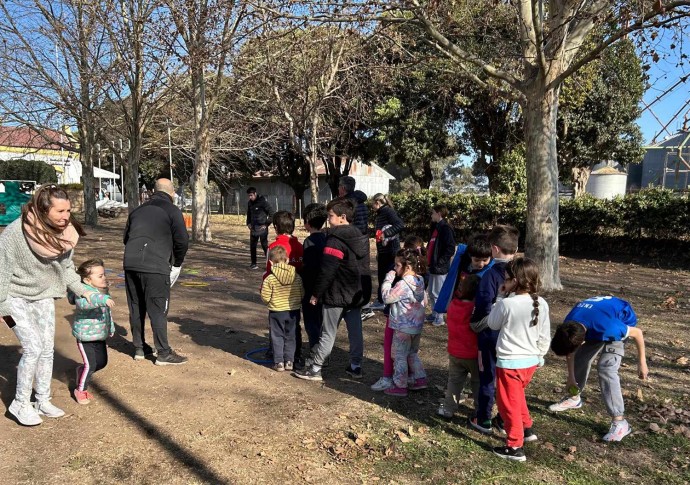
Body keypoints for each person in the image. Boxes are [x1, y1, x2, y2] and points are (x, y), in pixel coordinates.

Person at [0, 184, 93, 426]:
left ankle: (42, 399)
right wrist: (2, 308)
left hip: (43, 295)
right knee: (32, 347)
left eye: (68, 211)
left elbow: (66, 271)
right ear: (43, 210)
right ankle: (20, 403)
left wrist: (85, 291)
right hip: (12, 298)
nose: (66, 217)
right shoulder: (15, 233)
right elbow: (1, 271)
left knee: (46, 348)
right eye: (60, 211)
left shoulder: (65, 235)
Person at [549, 296, 648, 442]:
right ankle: (574, 398)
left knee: (606, 368)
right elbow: (571, 352)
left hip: (620, 319)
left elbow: (637, 333)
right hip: (596, 319)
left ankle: (620, 423)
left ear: (583, 341)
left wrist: (642, 362)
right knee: (580, 358)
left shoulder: (611, 328)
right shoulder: (568, 326)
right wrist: (571, 377)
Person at [294, 198, 371, 382]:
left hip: (336, 294)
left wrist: (316, 293)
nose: (328, 220)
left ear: (342, 217)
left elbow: (327, 270)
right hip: (356, 294)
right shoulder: (361, 236)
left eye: (331, 216)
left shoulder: (335, 240)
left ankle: (315, 369)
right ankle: (356, 366)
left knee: (327, 333)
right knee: (355, 331)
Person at [486, 258, 550, 462]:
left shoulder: (507, 304)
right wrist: (540, 356)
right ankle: (527, 427)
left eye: (506, 278)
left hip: (509, 363)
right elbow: (544, 335)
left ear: (514, 281)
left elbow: (492, 324)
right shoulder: (541, 303)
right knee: (517, 397)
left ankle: (515, 446)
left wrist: (499, 296)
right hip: (530, 362)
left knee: (508, 404)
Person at [123, 178, 189, 365]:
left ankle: (139, 348)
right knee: (158, 308)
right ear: (172, 192)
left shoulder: (137, 210)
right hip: (156, 265)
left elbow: (126, 238)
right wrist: (176, 264)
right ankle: (163, 352)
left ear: (153, 191)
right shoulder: (172, 211)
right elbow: (182, 241)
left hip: (131, 263)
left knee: (136, 305)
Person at [469, 225, 519, 435]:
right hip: (515, 337)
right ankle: (507, 418)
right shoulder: (522, 272)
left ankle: (484, 418)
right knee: (509, 381)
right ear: (515, 250)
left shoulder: (490, 276)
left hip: (491, 334)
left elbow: (483, 305)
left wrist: (476, 322)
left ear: (494, 249)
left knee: (487, 376)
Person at [370, 236, 425, 392]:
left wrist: (388, 279)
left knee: (399, 355)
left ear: (407, 267)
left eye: (397, 265)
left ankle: (400, 385)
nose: (395, 268)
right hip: (416, 325)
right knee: (412, 353)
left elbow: (387, 298)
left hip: (403, 326)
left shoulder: (403, 284)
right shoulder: (420, 280)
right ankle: (420, 378)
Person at [69, 259, 115, 405]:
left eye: (104, 275)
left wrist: (110, 328)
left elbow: (107, 315)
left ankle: (80, 370)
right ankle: (80, 390)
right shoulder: (82, 294)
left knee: (101, 363)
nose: (104, 278)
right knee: (91, 365)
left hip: (100, 335)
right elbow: (87, 303)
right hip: (85, 336)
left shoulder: (101, 292)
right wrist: (103, 299)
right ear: (87, 280)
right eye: (100, 276)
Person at [436, 274, 481, 418]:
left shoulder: (453, 305)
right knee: (477, 382)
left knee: (454, 381)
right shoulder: (474, 308)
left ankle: (448, 408)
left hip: (455, 352)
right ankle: (480, 411)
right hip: (473, 354)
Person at [260, 246, 304, 372]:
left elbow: (265, 296)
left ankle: (278, 361)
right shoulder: (297, 277)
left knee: (277, 335)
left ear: (270, 262)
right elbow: (302, 293)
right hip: (293, 311)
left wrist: (270, 302)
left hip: (276, 311)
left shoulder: (270, 279)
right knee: (291, 335)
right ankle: (289, 361)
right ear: (288, 260)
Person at [433, 233, 493, 317]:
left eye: (485, 260)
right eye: (477, 260)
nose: (481, 264)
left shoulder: (491, 269)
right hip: (458, 303)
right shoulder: (462, 261)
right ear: (470, 255)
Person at [368, 193, 404, 311]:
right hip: (383, 251)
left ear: (377, 203)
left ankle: (386, 300)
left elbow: (400, 224)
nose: (372, 206)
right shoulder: (380, 214)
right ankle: (381, 299)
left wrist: (386, 233)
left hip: (391, 251)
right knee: (381, 276)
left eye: (373, 203)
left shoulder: (388, 212)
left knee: (389, 276)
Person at [301, 203, 328, 351]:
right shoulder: (327, 239)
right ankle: (323, 351)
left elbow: (308, 268)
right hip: (325, 288)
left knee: (312, 322)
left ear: (308, 223)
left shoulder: (309, 242)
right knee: (323, 322)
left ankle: (315, 352)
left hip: (311, 289)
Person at [426, 204, 456, 326]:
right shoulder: (436, 227)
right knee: (432, 291)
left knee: (438, 292)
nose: (431, 215)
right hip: (434, 265)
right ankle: (434, 313)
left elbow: (450, 248)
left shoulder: (445, 228)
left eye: (433, 213)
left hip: (440, 267)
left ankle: (439, 317)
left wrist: (440, 262)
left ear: (439, 214)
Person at [246, 187, 273, 270]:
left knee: (264, 246)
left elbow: (272, 213)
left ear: (255, 194)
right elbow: (248, 214)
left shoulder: (263, 202)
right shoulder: (249, 203)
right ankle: (253, 264)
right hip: (253, 228)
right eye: (249, 196)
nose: (250, 197)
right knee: (252, 246)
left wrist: (266, 224)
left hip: (262, 228)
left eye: (251, 195)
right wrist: (248, 223)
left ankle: (270, 265)